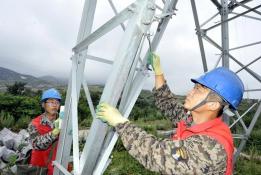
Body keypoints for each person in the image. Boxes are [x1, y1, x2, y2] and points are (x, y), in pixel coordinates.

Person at [96, 53, 244, 175]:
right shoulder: (193, 121)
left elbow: (155, 154)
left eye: (198, 90)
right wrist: (159, 72)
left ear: (213, 104)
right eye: (194, 87)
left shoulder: (209, 148)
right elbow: (169, 104)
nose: (190, 92)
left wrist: (120, 123)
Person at [27, 88, 62, 175]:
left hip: (57, 167)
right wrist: (54, 132)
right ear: (43, 104)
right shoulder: (34, 123)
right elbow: (36, 144)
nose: (54, 105)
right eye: (51, 102)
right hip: (40, 168)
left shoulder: (64, 121)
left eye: (57, 102)